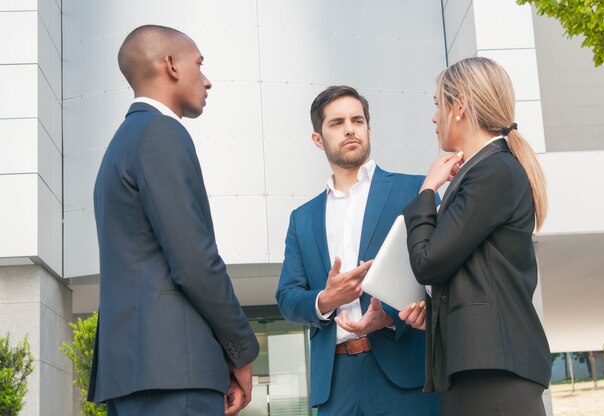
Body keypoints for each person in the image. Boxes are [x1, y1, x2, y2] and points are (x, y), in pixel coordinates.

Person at [87, 25, 260, 416]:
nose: (208, 79)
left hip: (136, 375)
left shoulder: (120, 146)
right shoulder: (161, 134)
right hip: (174, 374)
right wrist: (242, 349)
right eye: (199, 64)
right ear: (170, 65)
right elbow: (194, 262)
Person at [400, 57, 551, 416]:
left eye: (439, 105)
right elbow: (473, 272)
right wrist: (432, 308)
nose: (435, 118)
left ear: (461, 107)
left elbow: (428, 262)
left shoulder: (493, 170)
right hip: (481, 368)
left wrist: (427, 191)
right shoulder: (488, 170)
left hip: (492, 371)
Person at [276, 85, 440, 415]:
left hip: (404, 375)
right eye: (337, 123)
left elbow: (443, 275)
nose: (350, 128)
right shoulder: (302, 219)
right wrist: (326, 299)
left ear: (368, 128)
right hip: (335, 384)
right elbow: (288, 297)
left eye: (358, 120)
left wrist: (391, 318)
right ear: (317, 139)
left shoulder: (416, 191)